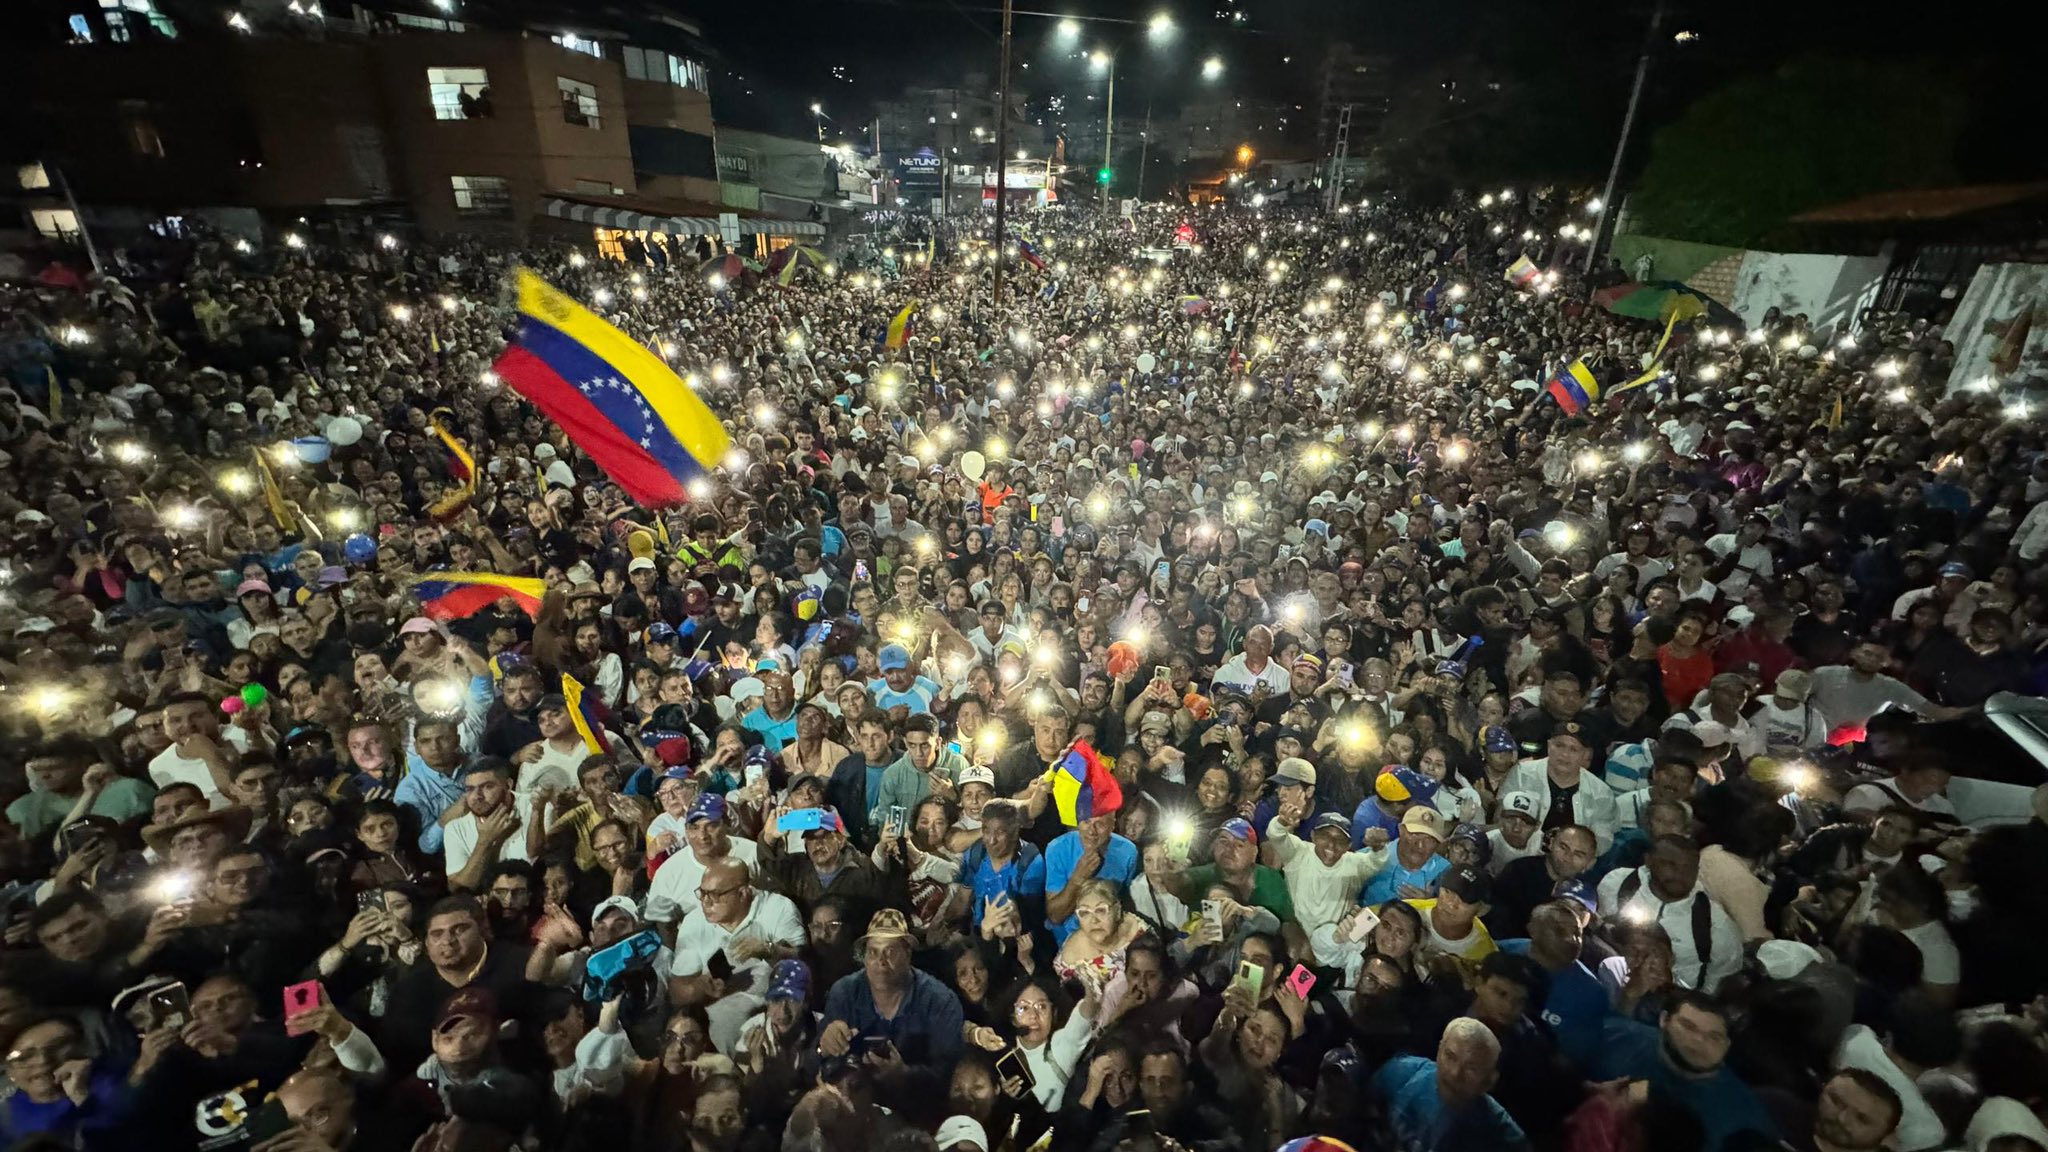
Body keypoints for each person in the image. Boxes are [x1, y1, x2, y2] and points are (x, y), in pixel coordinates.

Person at [1591, 991, 1779, 1152]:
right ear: (1664, 1020)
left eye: (1714, 1037)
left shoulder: (1746, 1115)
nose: (1699, 1040)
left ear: (1727, 1045)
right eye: (1688, 1026)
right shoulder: (1617, 1036)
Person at [819, 909, 963, 1070]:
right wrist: (824, 1047)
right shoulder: (845, 993)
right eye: (873, 952)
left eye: (890, 952)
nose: (881, 961)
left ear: (908, 954)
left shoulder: (938, 1000)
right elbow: (813, 1064)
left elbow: (947, 1072)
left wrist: (904, 1076)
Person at [1370, 1015, 1531, 1152]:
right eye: (1450, 1056)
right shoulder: (1400, 1073)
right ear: (1439, 1051)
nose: (1455, 1073)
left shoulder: (1504, 1136)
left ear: (1490, 1080)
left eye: (1471, 1068)